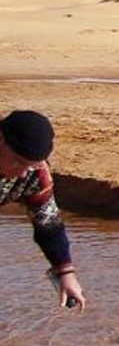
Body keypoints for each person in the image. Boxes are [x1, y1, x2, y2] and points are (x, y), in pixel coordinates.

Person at [1, 110, 86, 310]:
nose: (22, 173)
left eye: (30, 166)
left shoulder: (35, 174)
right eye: (18, 162)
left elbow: (47, 224)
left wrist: (66, 273)